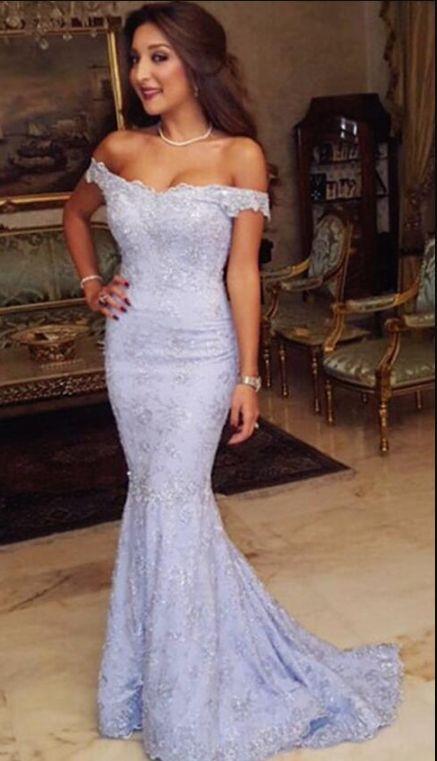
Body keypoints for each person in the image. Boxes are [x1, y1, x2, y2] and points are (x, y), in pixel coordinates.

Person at [63, 3, 404, 760]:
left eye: (158, 56)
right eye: (136, 58)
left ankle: (186, 699)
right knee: (150, 496)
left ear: (197, 61)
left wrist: (249, 375)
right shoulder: (117, 149)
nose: (141, 73)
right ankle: (145, 680)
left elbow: (242, 275)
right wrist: (91, 284)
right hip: (132, 349)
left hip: (200, 353)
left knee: (178, 498)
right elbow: (75, 215)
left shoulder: (239, 156)